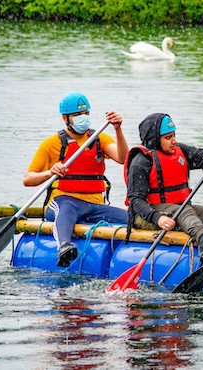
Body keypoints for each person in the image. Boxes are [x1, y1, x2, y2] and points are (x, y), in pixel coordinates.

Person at [23, 91, 129, 268]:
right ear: (65, 118)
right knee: (66, 209)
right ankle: (63, 246)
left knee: (129, 218)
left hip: (94, 205)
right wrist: (50, 172)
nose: (83, 118)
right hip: (64, 201)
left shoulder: (99, 139)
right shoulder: (52, 144)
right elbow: (28, 179)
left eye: (86, 113)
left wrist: (118, 129)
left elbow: (123, 157)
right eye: (77, 115)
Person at [125, 113, 203, 262]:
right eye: (168, 137)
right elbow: (136, 201)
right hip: (147, 216)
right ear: (154, 140)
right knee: (183, 211)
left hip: (180, 210)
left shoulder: (180, 151)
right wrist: (157, 218)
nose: (174, 141)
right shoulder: (141, 162)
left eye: (174, 135)